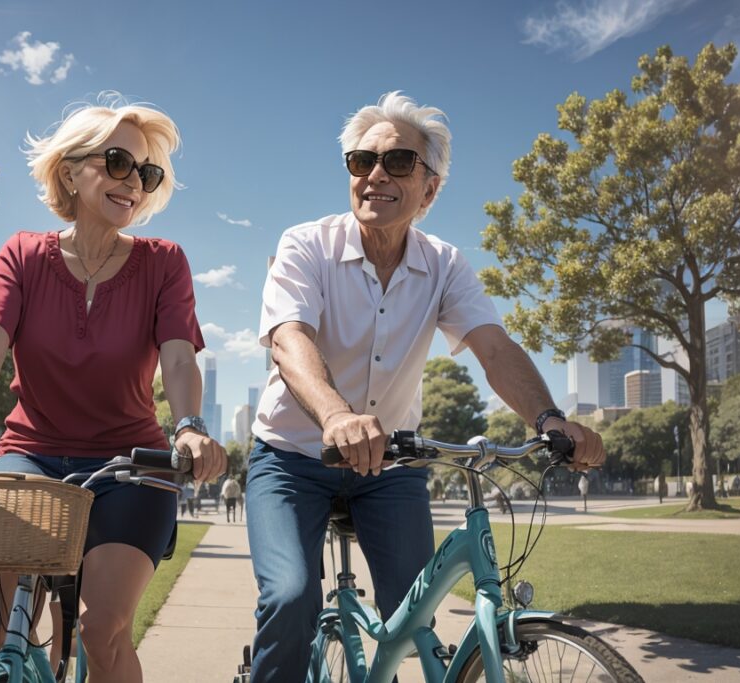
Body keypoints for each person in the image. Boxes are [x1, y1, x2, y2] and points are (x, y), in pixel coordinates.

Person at [245, 92, 606, 681]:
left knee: (416, 614)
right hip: (291, 459)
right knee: (289, 599)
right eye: (362, 162)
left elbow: (493, 347)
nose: (376, 175)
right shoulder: (305, 244)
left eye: (399, 163)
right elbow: (289, 339)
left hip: (389, 467)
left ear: (430, 189)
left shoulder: (444, 264)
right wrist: (335, 415)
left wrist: (549, 420)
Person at [0, 96, 226, 683]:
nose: (133, 182)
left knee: (99, 630)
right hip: (29, 455)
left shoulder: (164, 262)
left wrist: (188, 428)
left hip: (130, 465)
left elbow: (180, 357)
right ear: (70, 169)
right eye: (118, 162)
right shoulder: (24, 255)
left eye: (146, 172)